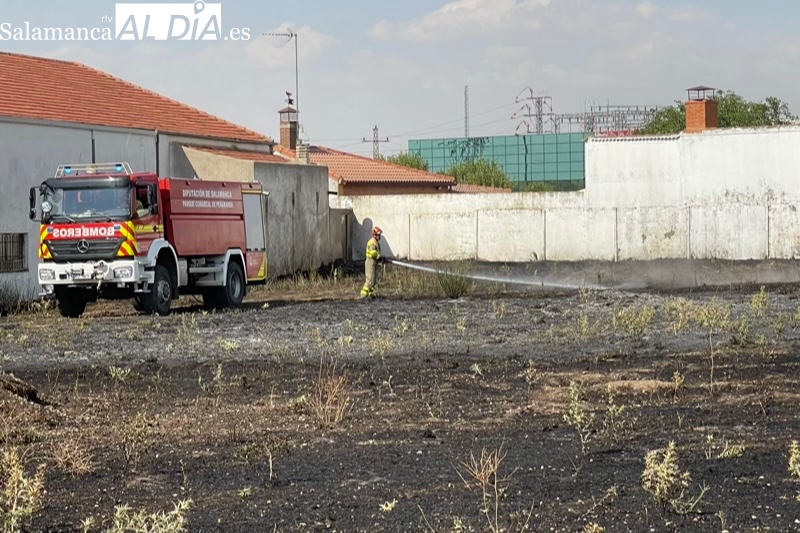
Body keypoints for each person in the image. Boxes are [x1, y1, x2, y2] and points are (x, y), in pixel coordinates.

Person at [361, 227, 384, 298]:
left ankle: (370, 295)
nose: (379, 236)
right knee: (370, 280)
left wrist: (380, 258)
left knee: (373, 280)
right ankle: (363, 295)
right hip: (370, 262)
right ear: (374, 234)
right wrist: (379, 257)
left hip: (373, 262)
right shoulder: (372, 242)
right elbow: (373, 253)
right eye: (378, 235)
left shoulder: (375, 242)